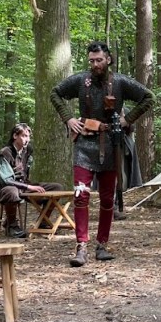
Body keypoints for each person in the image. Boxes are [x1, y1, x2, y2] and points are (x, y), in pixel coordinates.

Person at [50, 42, 153, 267]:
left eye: (99, 60)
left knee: (107, 199)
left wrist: (127, 120)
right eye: (92, 61)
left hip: (111, 145)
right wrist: (68, 118)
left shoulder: (120, 82)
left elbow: (148, 97)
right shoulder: (80, 81)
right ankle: (81, 246)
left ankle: (102, 245)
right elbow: (56, 93)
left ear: (108, 59)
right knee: (81, 195)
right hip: (84, 145)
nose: (95, 64)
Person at [0, 123, 63, 238]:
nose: (27, 139)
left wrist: (28, 186)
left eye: (28, 136)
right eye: (24, 136)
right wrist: (29, 187)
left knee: (57, 188)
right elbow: (6, 180)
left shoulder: (27, 150)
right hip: (6, 188)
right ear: (15, 136)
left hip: (24, 185)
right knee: (11, 191)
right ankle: (12, 226)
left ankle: (43, 222)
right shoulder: (4, 153)